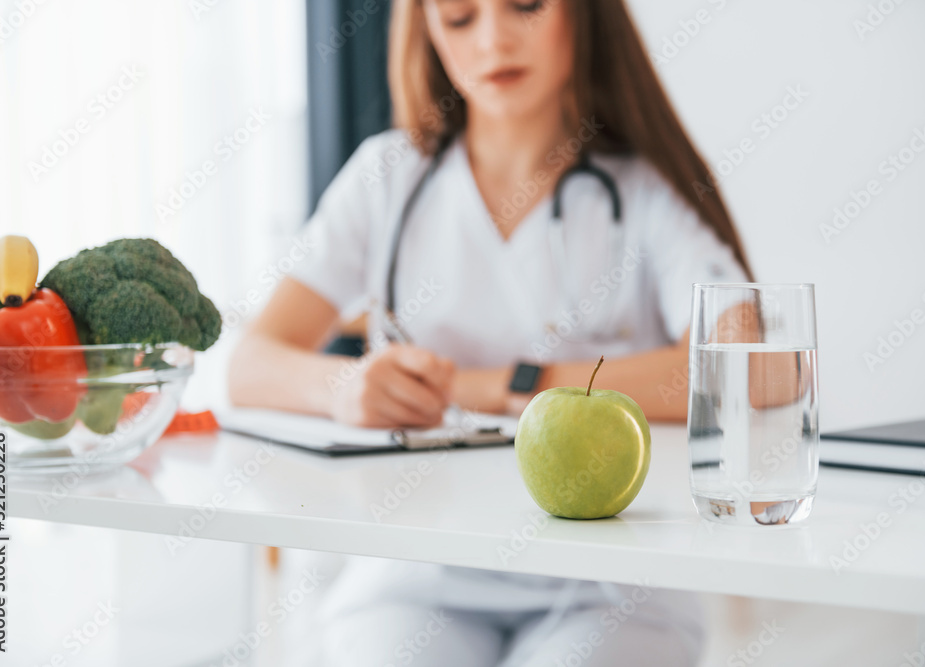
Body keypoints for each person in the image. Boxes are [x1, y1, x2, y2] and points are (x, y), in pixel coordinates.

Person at [228, 0, 753, 664]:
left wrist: (505, 386)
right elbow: (246, 364)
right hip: (417, 574)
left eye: (526, 6)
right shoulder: (387, 178)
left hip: (612, 582)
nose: (494, 39)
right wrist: (343, 387)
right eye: (459, 17)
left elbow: (743, 369)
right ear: (429, 35)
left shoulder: (643, 193)